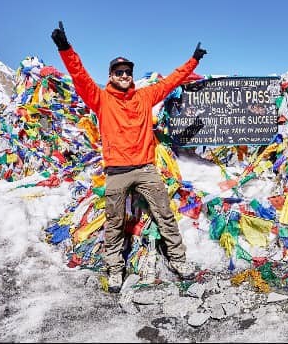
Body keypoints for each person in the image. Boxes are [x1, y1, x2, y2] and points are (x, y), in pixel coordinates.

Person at [51, 22, 207, 292]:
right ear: (111, 75)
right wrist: (65, 48)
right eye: (118, 71)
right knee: (114, 222)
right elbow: (79, 75)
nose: (124, 75)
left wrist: (192, 61)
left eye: (127, 71)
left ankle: (179, 261)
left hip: (146, 169)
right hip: (117, 172)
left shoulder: (145, 97)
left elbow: (172, 81)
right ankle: (115, 270)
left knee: (165, 215)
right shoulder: (100, 99)